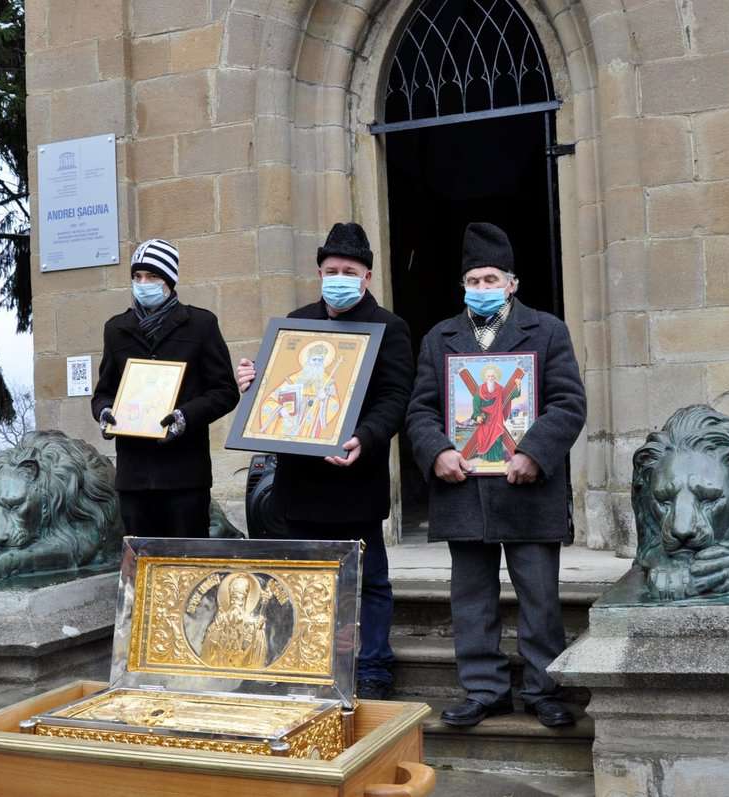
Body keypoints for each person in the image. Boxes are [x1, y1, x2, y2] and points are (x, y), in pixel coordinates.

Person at [405, 222, 586, 728]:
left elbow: (568, 403)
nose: (481, 288)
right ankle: (484, 689)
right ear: (462, 286)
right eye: (473, 280)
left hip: (527, 488)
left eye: (490, 279)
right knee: (470, 599)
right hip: (462, 490)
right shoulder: (440, 337)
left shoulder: (547, 330)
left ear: (512, 283)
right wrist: (437, 450)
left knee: (540, 596)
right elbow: (420, 410)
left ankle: (545, 688)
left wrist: (534, 452)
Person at [236, 223, 413, 700]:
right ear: (319, 272)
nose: (339, 277)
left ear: (367, 276)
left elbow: (395, 397)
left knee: (369, 580)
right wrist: (255, 383)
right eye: (331, 270)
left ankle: (373, 666)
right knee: (303, 580)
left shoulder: (390, 328)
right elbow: (280, 397)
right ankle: (305, 662)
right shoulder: (296, 324)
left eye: (348, 271)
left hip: (357, 477)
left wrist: (365, 437)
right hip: (302, 483)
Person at [93, 238, 239, 538]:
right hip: (134, 475)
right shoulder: (116, 329)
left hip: (184, 475)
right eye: (137, 277)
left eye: (152, 276)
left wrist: (185, 416)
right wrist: (105, 412)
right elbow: (104, 391)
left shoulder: (201, 324)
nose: (143, 283)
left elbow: (225, 391)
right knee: (142, 565)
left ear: (169, 281)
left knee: (187, 565)